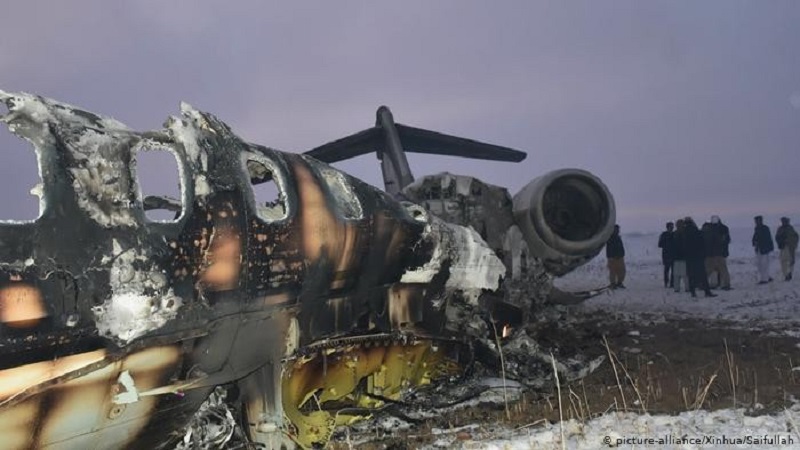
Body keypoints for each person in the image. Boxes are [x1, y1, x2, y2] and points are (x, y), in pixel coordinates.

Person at [683, 217, 716, 298]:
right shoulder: (696, 231)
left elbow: (683, 246)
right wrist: (703, 254)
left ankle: (693, 292)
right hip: (698, 256)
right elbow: (702, 243)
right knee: (702, 274)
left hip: (689, 257)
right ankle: (707, 291)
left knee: (691, 275)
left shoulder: (684, 232)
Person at [704, 215, 732, 290]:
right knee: (723, 270)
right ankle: (725, 284)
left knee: (709, 270)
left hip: (710, 254)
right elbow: (725, 241)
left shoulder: (708, 230)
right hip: (719, 253)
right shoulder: (723, 229)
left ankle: (707, 284)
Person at [752, 215, 774, 284]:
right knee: (760, 264)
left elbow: (767, 238)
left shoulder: (765, 228)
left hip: (764, 248)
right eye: (755, 221)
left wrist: (768, 247)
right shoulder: (757, 228)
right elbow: (755, 237)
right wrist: (754, 242)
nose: (756, 222)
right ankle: (767, 277)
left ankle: (764, 279)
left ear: (761, 220)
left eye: (757, 220)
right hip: (759, 248)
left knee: (764, 264)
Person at [775, 217, 798, 281]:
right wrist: (781, 241)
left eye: (784, 221)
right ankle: (787, 274)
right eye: (782, 221)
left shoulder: (790, 228)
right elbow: (777, 237)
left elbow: (795, 237)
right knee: (783, 261)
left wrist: (790, 241)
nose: (783, 222)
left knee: (790, 261)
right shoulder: (780, 229)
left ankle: (789, 273)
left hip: (790, 247)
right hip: (783, 247)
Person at [605, 224, 626, 288]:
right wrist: (610, 257)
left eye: (618, 229)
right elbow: (609, 248)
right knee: (613, 271)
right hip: (612, 258)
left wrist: (622, 254)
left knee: (622, 271)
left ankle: (619, 283)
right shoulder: (610, 238)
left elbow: (621, 247)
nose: (618, 230)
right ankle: (613, 284)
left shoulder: (618, 237)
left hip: (620, 257)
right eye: (617, 229)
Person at [672, 219, 689, 293]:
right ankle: (685, 287)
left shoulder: (675, 233)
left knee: (679, 274)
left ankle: (678, 288)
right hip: (681, 256)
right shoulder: (685, 233)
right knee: (683, 274)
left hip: (679, 257)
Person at [657, 222, 675, 288]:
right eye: (670, 227)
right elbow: (659, 244)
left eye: (672, 227)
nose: (672, 228)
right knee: (667, 270)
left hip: (673, 254)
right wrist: (666, 243)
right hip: (666, 254)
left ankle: (672, 283)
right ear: (667, 227)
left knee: (673, 270)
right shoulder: (664, 234)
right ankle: (666, 282)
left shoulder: (674, 234)